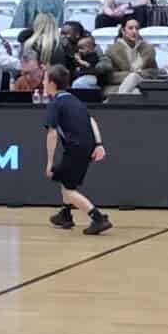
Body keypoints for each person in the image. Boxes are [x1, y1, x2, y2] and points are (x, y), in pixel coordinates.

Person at [44, 65, 111, 234]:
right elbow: (91, 120)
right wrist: (98, 143)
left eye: (45, 80)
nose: (43, 83)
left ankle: (98, 218)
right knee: (64, 178)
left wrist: (49, 162)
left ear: (52, 84)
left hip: (75, 148)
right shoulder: (75, 100)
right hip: (86, 145)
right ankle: (65, 214)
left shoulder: (55, 103)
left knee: (69, 190)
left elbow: (52, 133)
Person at [103, 17, 158, 96]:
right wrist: (130, 74)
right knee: (136, 91)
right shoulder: (112, 50)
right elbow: (110, 76)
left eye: (137, 28)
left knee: (135, 78)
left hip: (141, 83)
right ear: (123, 31)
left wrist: (139, 73)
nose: (134, 31)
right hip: (118, 85)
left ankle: (117, 101)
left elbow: (154, 71)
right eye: (130, 28)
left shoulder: (147, 49)